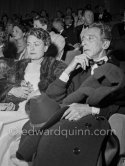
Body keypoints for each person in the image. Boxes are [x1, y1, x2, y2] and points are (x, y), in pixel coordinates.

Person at [16, 22, 124, 165]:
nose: (84, 42)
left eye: (90, 38)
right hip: (68, 117)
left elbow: (121, 107)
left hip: (95, 124)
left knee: (57, 139)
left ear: (105, 44)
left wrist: (90, 110)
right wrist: (69, 69)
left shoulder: (117, 70)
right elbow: (53, 97)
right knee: (38, 132)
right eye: (83, 39)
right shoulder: (78, 71)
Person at [0, 28, 66, 166]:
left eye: (37, 44)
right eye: (29, 44)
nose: (32, 48)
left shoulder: (56, 66)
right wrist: (13, 90)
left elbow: (60, 91)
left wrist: (39, 93)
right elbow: (4, 86)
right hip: (16, 107)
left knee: (3, 128)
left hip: (36, 112)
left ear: (46, 47)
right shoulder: (19, 65)